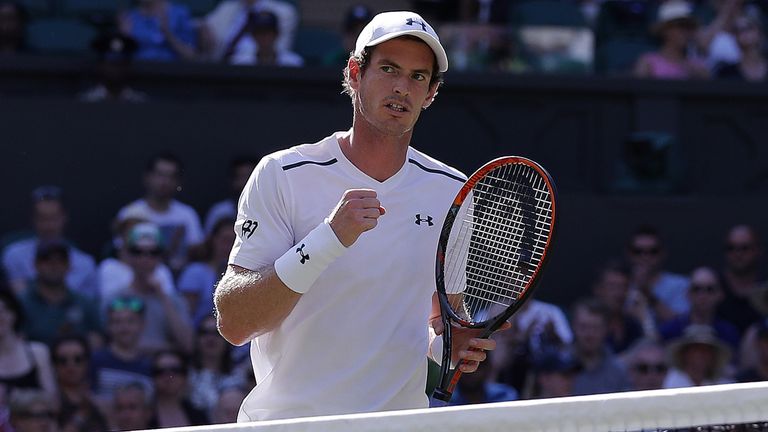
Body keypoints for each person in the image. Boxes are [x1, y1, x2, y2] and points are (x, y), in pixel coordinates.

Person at [214, 10, 504, 421]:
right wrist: (326, 240)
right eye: (388, 69)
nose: (402, 87)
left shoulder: (452, 192)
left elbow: (443, 319)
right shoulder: (281, 174)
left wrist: (453, 345)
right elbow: (235, 322)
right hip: (289, 426)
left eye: (418, 77)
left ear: (431, 93)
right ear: (354, 73)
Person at [101, 223, 193, 355]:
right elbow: (108, 346)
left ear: (160, 257)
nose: (145, 259)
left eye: (153, 253)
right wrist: (167, 348)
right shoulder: (115, 299)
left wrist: (162, 296)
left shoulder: (174, 301)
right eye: (138, 252)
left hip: (163, 372)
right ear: (127, 256)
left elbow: (188, 345)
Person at [2, 186, 97, 298]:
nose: (48, 226)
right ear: (33, 219)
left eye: (53, 218)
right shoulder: (14, 255)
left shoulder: (85, 264)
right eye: (43, 218)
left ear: (64, 218)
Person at [115, 153, 204, 273]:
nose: (165, 181)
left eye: (171, 176)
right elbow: (122, 254)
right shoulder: (130, 213)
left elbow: (197, 254)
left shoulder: (187, 214)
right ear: (147, 177)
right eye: (160, 175)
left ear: (178, 182)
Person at [19, 241, 102, 349]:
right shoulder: (21, 303)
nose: (54, 266)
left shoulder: (85, 303)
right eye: (47, 261)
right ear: (36, 265)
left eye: (60, 261)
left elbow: (100, 337)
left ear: (69, 265)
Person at [659, 266, 740, 352]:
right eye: (696, 289)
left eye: (709, 289)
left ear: (720, 295)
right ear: (687, 294)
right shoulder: (669, 331)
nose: (702, 295)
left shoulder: (729, 333)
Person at [90, 297, 153, 404]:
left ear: (142, 325)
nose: (124, 327)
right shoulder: (95, 360)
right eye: (117, 322)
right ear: (108, 326)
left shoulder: (151, 366)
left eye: (130, 321)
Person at [624, 225, 690, 325]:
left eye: (653, 251)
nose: (645, 257)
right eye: (638, 251)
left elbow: (681, 324)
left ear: (662, 254)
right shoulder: (618, 285)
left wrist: (647, 293)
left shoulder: (680, 285)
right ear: (629, 254)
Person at [0, 290, 57, 400]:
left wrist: (10, 396)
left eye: (2, 311)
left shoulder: (39, 352)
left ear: (13, 314)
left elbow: (52, 400)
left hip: (37, 416)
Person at [568, 298, 631, 395]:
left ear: (606, 329)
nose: (589, 334)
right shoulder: (558, 366)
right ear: (573, 326)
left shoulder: (618, 370)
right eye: (583, 327)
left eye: (595, 328)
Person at [178, 218, 235, 325]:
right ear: (213, 240)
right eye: (225, 240)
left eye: (233, 242)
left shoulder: (245, 276)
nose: (228, 247)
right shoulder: (195, 272)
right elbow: (186, 316)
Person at [634, 0, 709, 79]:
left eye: (689, 27)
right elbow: (636, 89)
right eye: (680, 26)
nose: (685, 32)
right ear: (665, 30)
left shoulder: (698, 67)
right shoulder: (648, 63)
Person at [187, 315, 246, 416]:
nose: (211, 338)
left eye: (217, 333)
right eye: (205, 332)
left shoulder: (239, 376)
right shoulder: (185, 377)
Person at [202, 0, 298, 62]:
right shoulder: (228, 7)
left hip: (252, 75)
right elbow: (202, 23)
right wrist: (203, 29)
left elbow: (276, 49)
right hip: (218, 73)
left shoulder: (284, 12)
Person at [51, 336, 109, 432]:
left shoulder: (100, 403)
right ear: (54, 364)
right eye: (63, 360)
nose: (70, 365)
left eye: (78, 359)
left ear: (87, 362)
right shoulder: (50, 403)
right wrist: (81, 415)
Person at [591, 260, 649, 354]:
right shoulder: (588, 324)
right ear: (598, 289)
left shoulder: (633, 324)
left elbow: (652, 350)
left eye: (623, 286)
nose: (619, 293)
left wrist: (645, 319)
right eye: (612, 286)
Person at [717, 224, 765, 334]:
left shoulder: (766, 287)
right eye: (731, 248)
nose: (738, 254)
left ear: (758, 250)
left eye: (745, 248)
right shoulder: (711, 287)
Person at [118, 0, 198, 62]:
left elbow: (190, 55)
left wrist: (168, 34)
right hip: (138, 72)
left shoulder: (179, 14)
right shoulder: (129, 18)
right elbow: (119, 56)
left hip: (172, 73)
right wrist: (124, 36)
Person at [79, 33, 148, 103]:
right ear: (100, 66)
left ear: (128, 66)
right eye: (112, 64)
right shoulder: (87, 100)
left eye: (120, 64)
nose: (116, 69)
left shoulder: (139, 101)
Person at [148, 349, 208, 428]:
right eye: (161, 371)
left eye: (175, 370)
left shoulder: (198, 414)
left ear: (185, 376)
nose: (168, 376)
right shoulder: (142, 414)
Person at [224, 9, 303, 66]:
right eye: (260, 33)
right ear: (253, 36)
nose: (264, 37)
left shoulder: (293, 63)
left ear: (276, 34)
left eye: (268, 33)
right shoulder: (239, 63)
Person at [663, 324, 733, 387]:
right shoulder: (669, 381)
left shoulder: (723, 384)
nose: (702, 355)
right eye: (697, 350)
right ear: (685, 353)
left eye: (707, 350)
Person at [203, 155, 259, 235]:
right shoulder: (219, 212)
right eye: (241, 177)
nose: (246, 183)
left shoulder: (270, 211)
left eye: (250, 178)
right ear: (232, 180)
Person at [448, 351, 518, 406]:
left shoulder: (504, 396)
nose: (471, 371)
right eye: (465, 365)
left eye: (478, 366)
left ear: (488, 367)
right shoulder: (446, 402)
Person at [714, 14, 767, 81]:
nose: (744, 33)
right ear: (734, 37)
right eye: (738, 30)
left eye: (749, 27)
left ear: (759, 33)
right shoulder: (726, 73)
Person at [323, 4, 374, 68]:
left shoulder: (378, 61)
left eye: (363, 33)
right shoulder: (332, 61)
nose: (358, 38)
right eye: (353, 31)